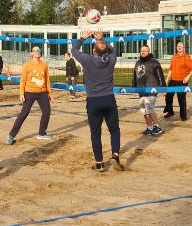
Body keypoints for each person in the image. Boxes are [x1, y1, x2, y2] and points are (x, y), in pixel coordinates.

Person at [71, 31, 123, 172]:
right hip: (108, 99)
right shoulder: (112, 60)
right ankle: (115, 155)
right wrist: (101, 38)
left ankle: (99, 163)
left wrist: (83, 38)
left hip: (93, 100)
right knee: (114, 129)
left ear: (93, 50)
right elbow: (113, 50)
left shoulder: (87, 60)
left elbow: (73, 50)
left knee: (95, 132)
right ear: (106, 50)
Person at [6, 46, 53, 144]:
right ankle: (11, 135)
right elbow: (22, 80)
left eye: (38, 50)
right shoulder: (27, 65)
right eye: (35, 51)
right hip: (30, 92)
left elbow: (47, 80)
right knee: (24, 113)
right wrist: (21, 94)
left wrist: (49, 93)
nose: (37, 52)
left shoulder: (44, 65)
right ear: (31, 53)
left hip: (42, 92)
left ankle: (42, 133)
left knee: (47, 112)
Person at [133, 45, 166, 136]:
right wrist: (134, 88)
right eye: (142, 51)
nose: (143, 52)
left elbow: (160, 76)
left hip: (151, 89)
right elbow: (135, 76)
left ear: (149, 52)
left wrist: (163, 88)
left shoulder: (154, 62)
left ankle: (157, 127)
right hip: (141, 89)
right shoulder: (137, 63)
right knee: (143, 110)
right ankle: (149, 128)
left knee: (149, 108)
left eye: (145, 51)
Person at [163, 42, 192, 121]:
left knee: (181, 98)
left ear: (183, 48)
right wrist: (167, 79)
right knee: (168, 96)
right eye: (178, 46)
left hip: (182, 81)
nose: (179, 47)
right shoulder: (174, 57)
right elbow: (171, 69)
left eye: (180, 46)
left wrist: (188, 77)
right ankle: (170, 111)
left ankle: (183, 116)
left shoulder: (186, 57)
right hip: (173, 80)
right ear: (176, 48)